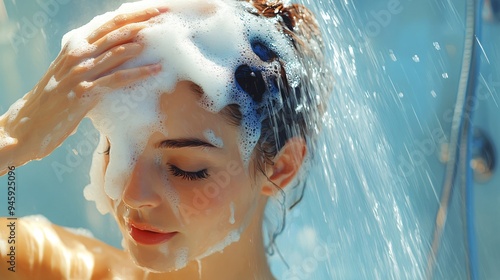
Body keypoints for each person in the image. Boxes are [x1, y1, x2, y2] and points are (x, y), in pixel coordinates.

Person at [0, 0, 332, 279]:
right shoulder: (51, 267)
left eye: (185, 168)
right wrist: (13, 136)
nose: (131, 194)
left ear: (280, 168)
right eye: (117, 149)